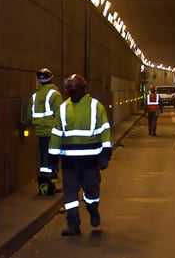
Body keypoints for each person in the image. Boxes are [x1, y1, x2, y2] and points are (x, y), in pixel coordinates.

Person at [48, 74, 112, 236]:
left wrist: (105, 154)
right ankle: (73, 224)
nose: (73, 94)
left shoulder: (96, 106)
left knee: (91, 190)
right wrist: (52, 159)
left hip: (90, 161)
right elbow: (56, 134)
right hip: (69, 162)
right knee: (69, 194)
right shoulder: (63, 108)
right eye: (70, 91)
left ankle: (92, 209)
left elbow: (105, 131)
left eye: (75, 90)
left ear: (84, 89)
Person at [24, 67, 63, 195]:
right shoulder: (55, 95)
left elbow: (29, 115)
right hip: (53, 131)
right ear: (51, 78)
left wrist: (24, 126)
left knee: (44, 160)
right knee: (53, 159)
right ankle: (50, 185)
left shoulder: (35, 96)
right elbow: (60, 114)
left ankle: (46, 187)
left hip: (41, 132)